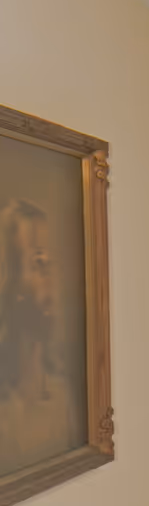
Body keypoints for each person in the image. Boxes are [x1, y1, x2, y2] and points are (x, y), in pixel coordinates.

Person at [0, 198, 79, 472]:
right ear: (11, 285)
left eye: (49, 261)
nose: (50, 274)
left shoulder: (61, 393)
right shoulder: (6, 414)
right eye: (37, 261)